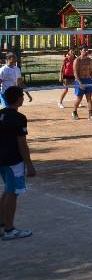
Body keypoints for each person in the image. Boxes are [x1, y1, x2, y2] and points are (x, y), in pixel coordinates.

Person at [0, 87, 35, 240]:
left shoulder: (0, 114)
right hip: (13, 161)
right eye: (21, 96)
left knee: (7, 191)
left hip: (1, 160)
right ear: (18, 99)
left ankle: (2, 223)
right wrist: (29, 164)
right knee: (12, 194)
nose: (23, 98)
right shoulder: (19, 118)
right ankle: (9, 230)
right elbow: (22, 144)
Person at [71, 47, 92, 121]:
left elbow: (90, 71)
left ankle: (91, 114)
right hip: (79, 80)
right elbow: (75, 73)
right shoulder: (77, 60)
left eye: (87, 50)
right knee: (79, 98)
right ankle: (74, 112)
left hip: (88, 80)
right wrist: (80, 83)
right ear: (80, 51)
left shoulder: (89, 60)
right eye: (84, 50)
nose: (86, 51)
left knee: (89, 98)